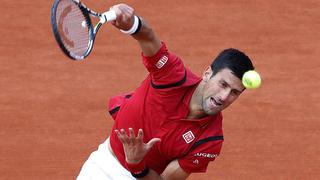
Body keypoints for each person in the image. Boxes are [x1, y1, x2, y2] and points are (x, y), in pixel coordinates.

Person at [77, 3, 255, 180]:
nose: (224, 97)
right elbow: (148, 38)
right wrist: (131, 23)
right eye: (223, 84)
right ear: (207, 73)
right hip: (102, 167)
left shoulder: (210, 140)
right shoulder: (172, 76)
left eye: (234, 92)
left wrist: (137, 163)